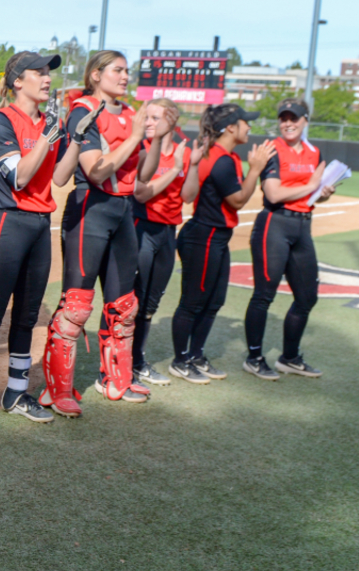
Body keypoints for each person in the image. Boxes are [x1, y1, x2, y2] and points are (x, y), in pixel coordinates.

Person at [0, 52, 81, 436]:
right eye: (37, 72)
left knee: (25, 317)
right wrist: (46, 138)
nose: (46, 78)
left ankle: (16, 394)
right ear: (17, 82)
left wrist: (78, 140)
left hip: (40, 226)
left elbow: (57, 178)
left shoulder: (46, 123)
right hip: (8, 223)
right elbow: (19, 177)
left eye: (48, 73)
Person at [43, 51, 162, 417]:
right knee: (76, 306)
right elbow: (95, 171)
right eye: (118, 70)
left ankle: (115, 380)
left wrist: (154, 139)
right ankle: (56, 390)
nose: (126, 76)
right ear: (96, 74)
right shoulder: (83, 110)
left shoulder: (129, 114)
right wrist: (136, 136)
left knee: (124, 306)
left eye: (127, 71)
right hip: (90, 211)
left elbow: (144, 174)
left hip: (123, 212)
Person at [168, 104, 273, 383]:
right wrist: (256, 170)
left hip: (215, 237)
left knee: (213, 302)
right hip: (203, 236)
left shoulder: (225, 156)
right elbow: (237, 200)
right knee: (192, 302)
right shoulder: (223, 160)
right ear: (230, 127)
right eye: (244, 122)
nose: (248, 127)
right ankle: (180, 360)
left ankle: (196, 355)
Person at [243, 98, 331, 380]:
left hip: (303, 226)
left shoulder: (314, 152)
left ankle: (289, 357)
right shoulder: (271, 150)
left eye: (294, 118)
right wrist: (312, 185)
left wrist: (320, 193)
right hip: (274, 224)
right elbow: (274, 194)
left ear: (306, 120)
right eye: (284, 118)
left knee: (307, 297)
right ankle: (254, 358)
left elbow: (308, 193)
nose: (288, 123)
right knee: (264, 295)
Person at [130, 99, 201, 387]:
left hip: (167, 233)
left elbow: (187, 196)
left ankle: (137, 361)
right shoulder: (141, 149)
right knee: (133, 301)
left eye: (155, 117)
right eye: (146, 117)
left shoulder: (183, 151)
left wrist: (192, 165)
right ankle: (122, 363)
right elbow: (141, 194)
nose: (148, 122)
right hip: (141, 229)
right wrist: (172, 170)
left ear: (171, 122)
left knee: (151, 304)